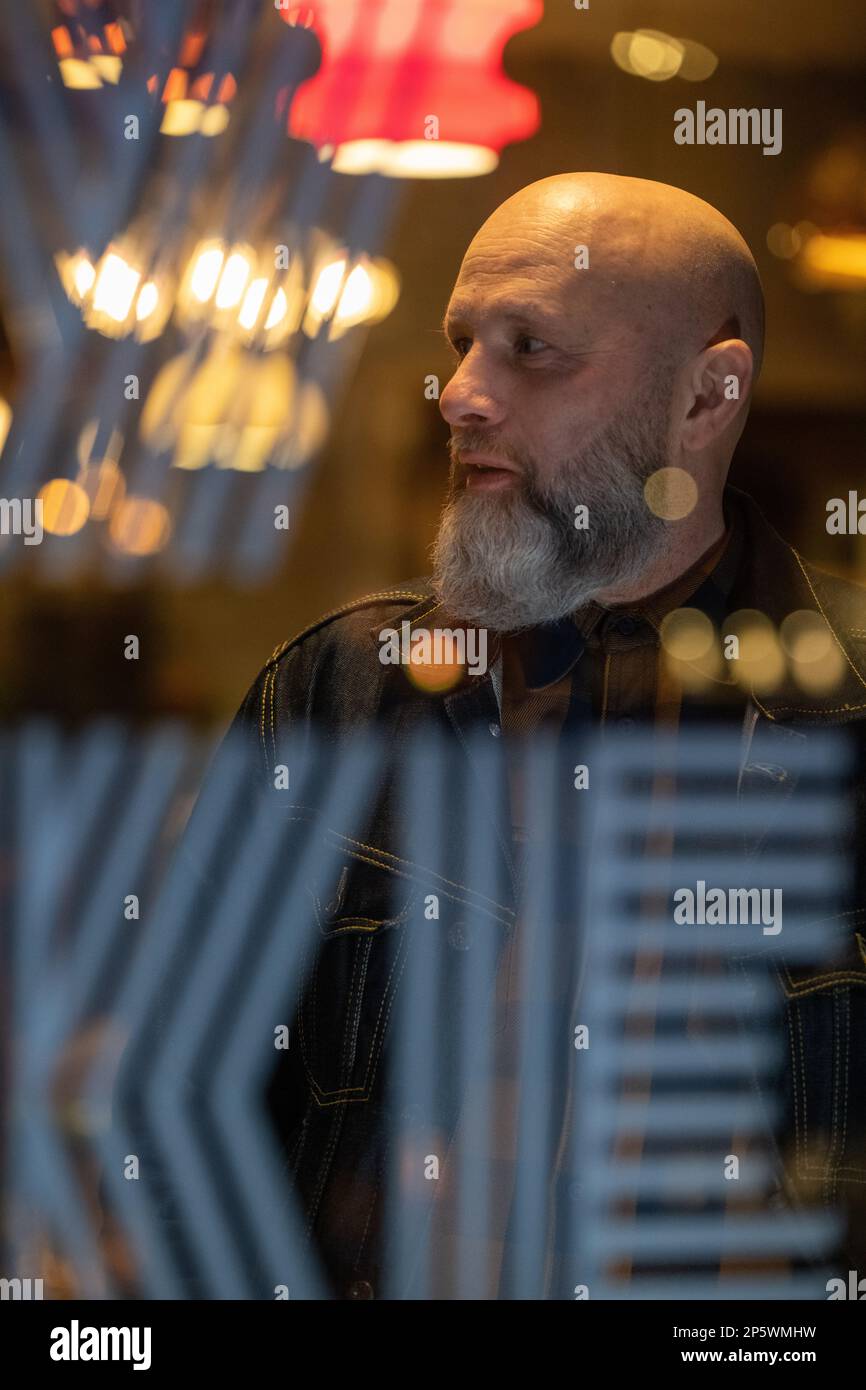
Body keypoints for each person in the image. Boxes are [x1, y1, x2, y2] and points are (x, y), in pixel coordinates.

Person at [164, 173, 866, 1299]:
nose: (460, 395)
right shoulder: (337, 693)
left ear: (706, 396)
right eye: (462, 341)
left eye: (531, 349)